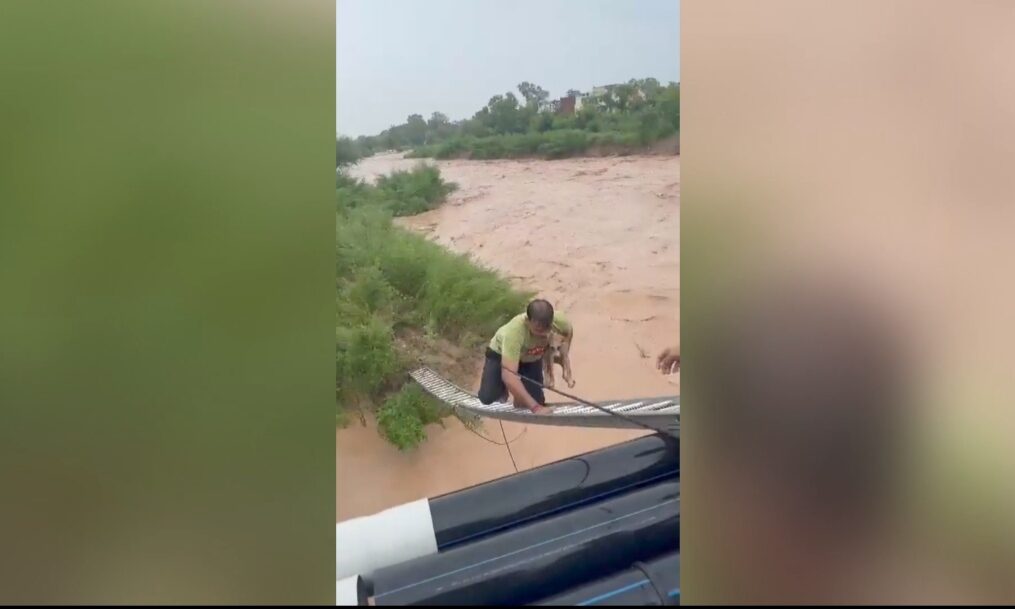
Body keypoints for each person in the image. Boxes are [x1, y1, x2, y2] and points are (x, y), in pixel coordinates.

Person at [478, 299, 573, 413]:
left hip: (531, 356)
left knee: (532, 402)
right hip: (501, 353)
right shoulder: (514, 333)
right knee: (488, 398)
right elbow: (509, 375)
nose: (544, 334)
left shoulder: (561, 322)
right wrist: (536, 408)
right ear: (527, 321)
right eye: (538, 330)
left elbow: (567, 337)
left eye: (547, 329)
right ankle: (502, 388)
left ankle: (518, 392)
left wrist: (561, 359)